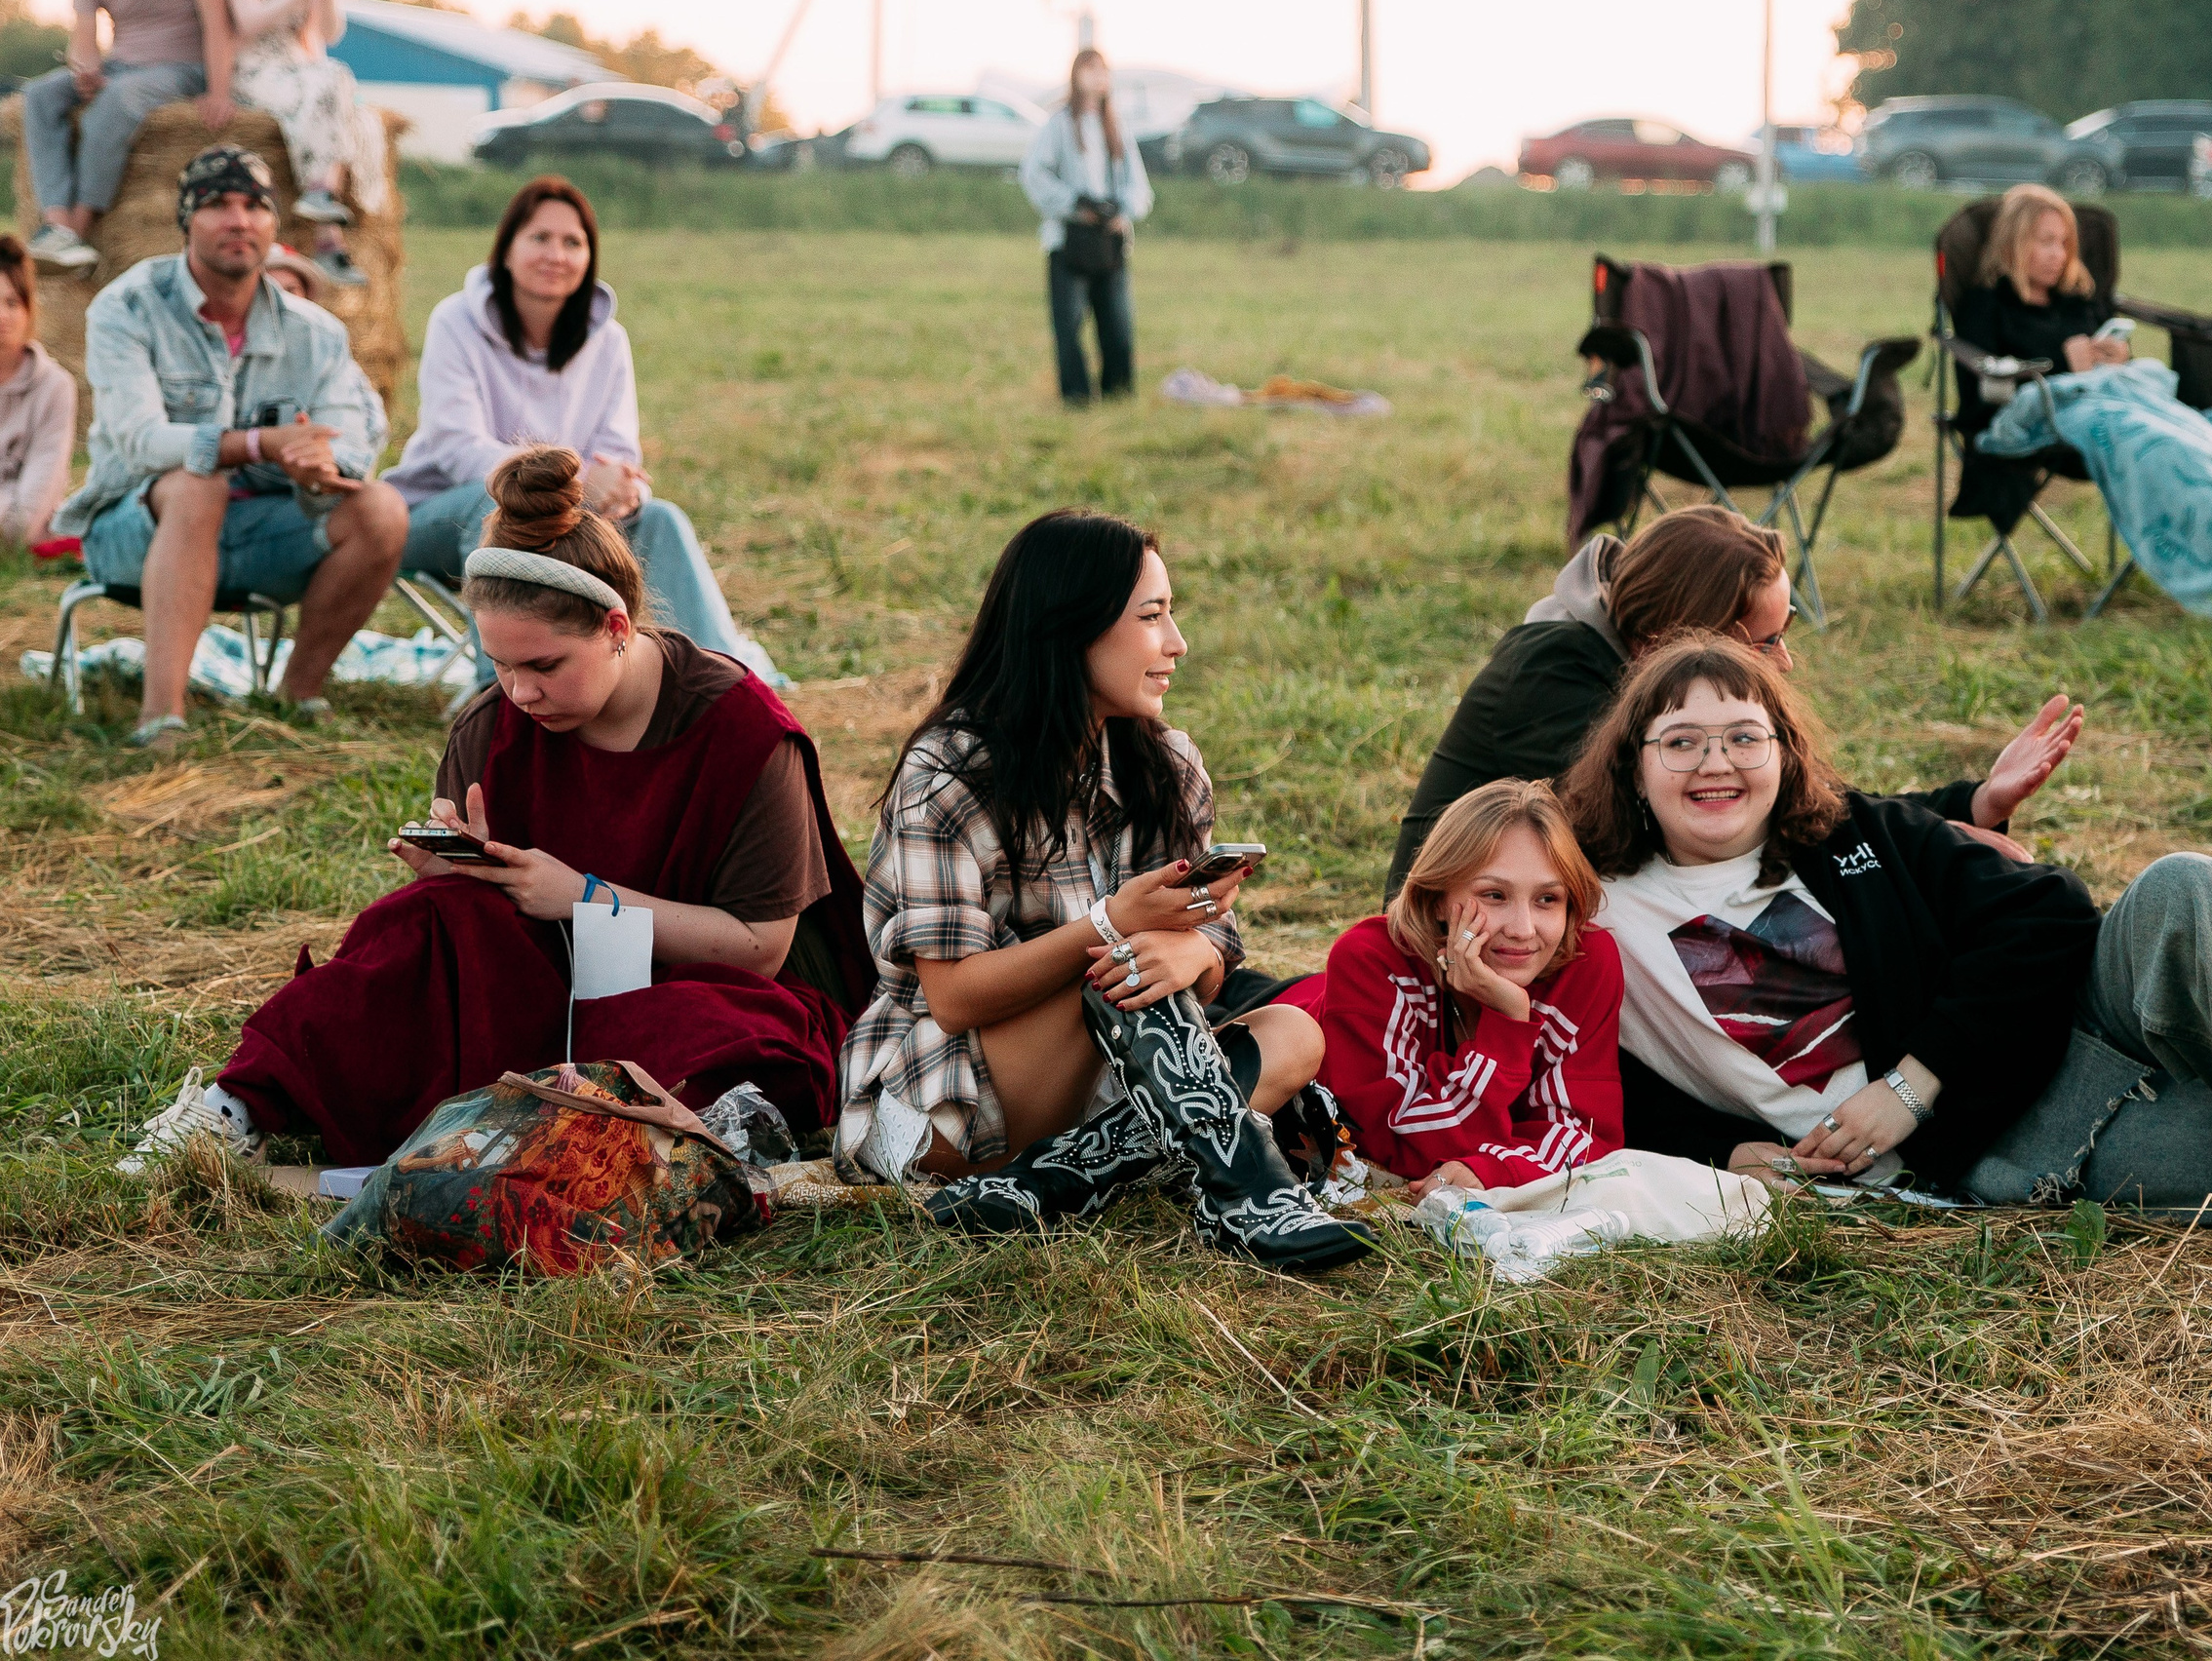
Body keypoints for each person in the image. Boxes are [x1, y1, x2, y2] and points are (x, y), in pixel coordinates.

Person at [1558, 632, 2212, 1280]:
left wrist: (1913, 1083)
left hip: (2066, 1025)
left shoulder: (1857, 835)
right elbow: (1572, 1069)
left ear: (1784, 752)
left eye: (1742, 737)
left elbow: (2044, 915)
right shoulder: (1590, 908)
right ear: (1633, 767)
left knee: (2189, 884)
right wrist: (1725, 1147)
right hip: (2018, 1145)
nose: (1714, 762)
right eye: (1680, 742)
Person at [116, 444, 876, 1176]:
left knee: (712, 1046)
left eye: (544, 665)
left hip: (696, 992)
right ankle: (235, 1109)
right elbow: (481, 945)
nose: (520, 693)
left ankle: (519, 1123)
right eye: (500, 664)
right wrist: (463, 880)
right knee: (418, 925)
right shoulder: (493, 724)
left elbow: (758, 948)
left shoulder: (743, 733)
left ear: (616, 629)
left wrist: (580, 897)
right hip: (539, 991)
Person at [835, 508, 1372, 1272]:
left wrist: (1193, 956)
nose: (1176, 644)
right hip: (956, 1095)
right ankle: (1246, 1192)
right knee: (1121, 956)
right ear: (1070, 630)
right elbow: (952, 997)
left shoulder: (1167, 765)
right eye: (1152, 617)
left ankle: (1053, 1181)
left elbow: (1210, 948)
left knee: (1296, 1033)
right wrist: (1112, 923)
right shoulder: (947, 776)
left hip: (1115, 1078)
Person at [1385, 505, 2084, 897]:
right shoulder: (1556, 675)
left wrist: (1967, 806)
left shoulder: (1627, 657)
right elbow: (1760, 818)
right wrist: (1938, 837)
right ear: (1673, 643)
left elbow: (1790, 798)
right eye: (1764, 642)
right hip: (1460, 947)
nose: (1784, 661)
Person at [50, 143, 405, 750]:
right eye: (217, 205)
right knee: (197, 482)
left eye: (255, 206)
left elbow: (352, 434)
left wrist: (319, 466)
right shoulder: (128, 306)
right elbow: (141, 441)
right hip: (134, 533)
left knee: (381, 509)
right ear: (187, 219)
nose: (239, 220)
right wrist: (263, 443)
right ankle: (161, 717)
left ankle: (297, 693)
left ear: (273, 224)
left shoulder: (314, 332)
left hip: (261, 538)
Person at [388, 175, 782, 684]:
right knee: (499, 505)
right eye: (539, 238)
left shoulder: (609, 342)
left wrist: (624, 490)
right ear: (506, 250)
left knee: (661, 520)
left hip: (568, 521)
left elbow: (618, 453)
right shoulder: (455, 321)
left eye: (573, 242)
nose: (556, 254)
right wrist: (571, 485)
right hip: (438, 516)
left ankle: (715, 687)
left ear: (589, 259)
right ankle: (504, 701)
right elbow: (456, 447)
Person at [1951, 183, 2212, 611]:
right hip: (2050, 418)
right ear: (2013, 243)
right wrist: (2059, 362)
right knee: (2164, 446)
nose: (2059, 254)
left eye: (2064, 243)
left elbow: (2103, 360)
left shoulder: (2078, 301)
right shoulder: (1987, 304)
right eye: (2045, 242)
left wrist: (2114, 357)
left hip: (2119, 402)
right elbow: (1982, 386)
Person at [1292, 779, 1623, 1198]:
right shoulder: (1370, 960)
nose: (1522, 930)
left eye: (1547, 900)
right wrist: (1506, 1023)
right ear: (1436, 899)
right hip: (1289, 1013)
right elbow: (1388, 1145)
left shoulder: (1586, 962)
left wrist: (1494, 1168)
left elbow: (1586, 1135)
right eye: (1494, 895)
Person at [21, 0, 233, 270]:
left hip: (181, 69)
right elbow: (84, 38)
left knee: (116, 101)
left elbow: (218, 27)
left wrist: (219, 92)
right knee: (39, 95)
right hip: (120, 67)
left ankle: (78, 228)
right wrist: (85, 71)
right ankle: (57, 226)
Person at [1018, 48, 1152, 406]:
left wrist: (1123, 211)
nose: (1096, 77)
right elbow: (1034, 175)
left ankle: (1118, 395)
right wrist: (1075, 205)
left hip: (1110, 241)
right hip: (1069, 240)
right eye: (1088, 70)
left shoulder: (1117, 126)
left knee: (1118, 324)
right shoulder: (1059, 123)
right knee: (1069, 326)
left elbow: (1139, 186)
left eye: (1102, 70)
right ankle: (1076, 398)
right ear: (1075, 75)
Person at [226, 0, 387, 287]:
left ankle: (323, 200)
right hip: (255, 70)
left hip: (298, 70)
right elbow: (247, 24)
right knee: (333, 81)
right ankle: (324, 212)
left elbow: (329, 33)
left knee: (359, 114)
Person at [0, 237, 79, 549]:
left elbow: (25, 523)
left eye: (11, 303)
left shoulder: (55, 388)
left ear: (29, 308)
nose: (2, 316)